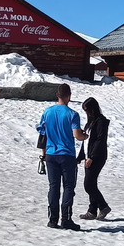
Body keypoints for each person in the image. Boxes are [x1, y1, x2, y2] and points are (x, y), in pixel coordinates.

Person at [36, 83, 88, 231]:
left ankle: (52, 219)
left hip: (51, 154)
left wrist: (43, 154)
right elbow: (77, 135)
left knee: (53, 187)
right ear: (69, 96)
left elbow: (43, 134)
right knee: (68, 187)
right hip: (67, 155)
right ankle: (66, 218)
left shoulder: (48, 112)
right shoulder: (72, 114)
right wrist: (84, 136)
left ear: (57, 95)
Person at [76, 97, 111, 221]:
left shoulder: (101, 122)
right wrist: (80, 156)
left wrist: (92, 157)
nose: (85, 112)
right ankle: (92, 211)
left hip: (97, 157)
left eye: (87, 110)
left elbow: (100, 141)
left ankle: (103, 206)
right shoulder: (90, 122)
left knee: (88, 185)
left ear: (93, 109)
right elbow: (86, 141)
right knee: (92, 183)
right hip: (88, 156)